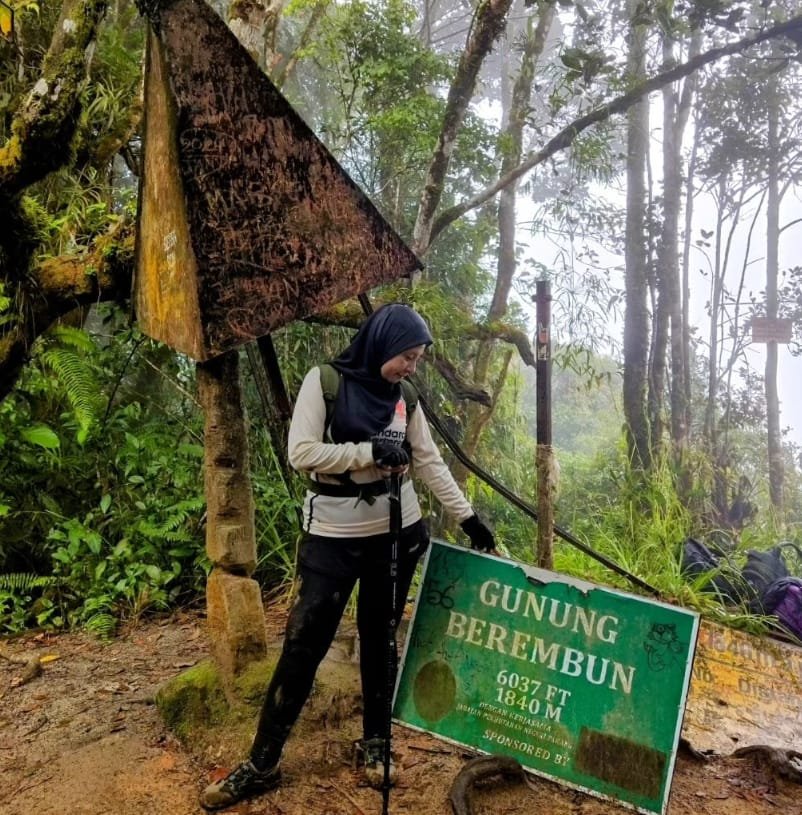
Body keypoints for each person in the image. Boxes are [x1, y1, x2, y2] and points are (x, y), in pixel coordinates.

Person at [200, 303, 495, 811]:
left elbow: (427, 460)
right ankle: (262, 761)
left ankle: (376, 741)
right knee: (303, 645)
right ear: (381, 344)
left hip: (396, 534)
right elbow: (302, 452)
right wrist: (367, 454)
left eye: (418, 359)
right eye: (406, 356)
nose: (410, 367)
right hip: (331, 538)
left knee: (380, 638)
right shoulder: (326, 382)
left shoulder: (405, 396)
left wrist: (468, 518)